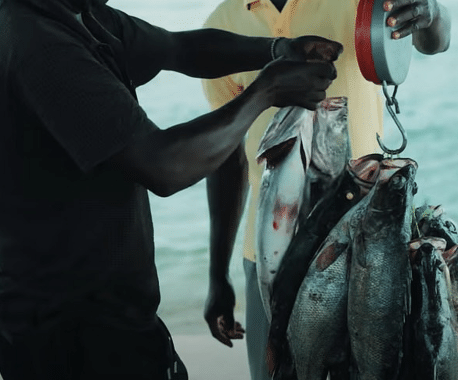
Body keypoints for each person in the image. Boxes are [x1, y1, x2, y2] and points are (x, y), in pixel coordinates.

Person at [0, 0, 342, 378]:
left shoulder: (85, 15)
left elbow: (181, 48)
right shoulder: (37, 42)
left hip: (115, 316)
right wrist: (265, 92)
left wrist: (276, 50)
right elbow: (162, 166)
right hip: (70, 335)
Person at [200, 0, 451, 379]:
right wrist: (218, 274)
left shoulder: (358, 2)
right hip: (267, 252)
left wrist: (431, 12)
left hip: (367, 250)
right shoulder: (221, 25)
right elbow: (224, 156)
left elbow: (433, 41)